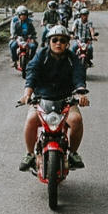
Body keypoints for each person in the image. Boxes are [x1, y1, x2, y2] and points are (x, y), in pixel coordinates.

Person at [19, 25, 89, 171]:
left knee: (76, 120)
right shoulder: (41, 56)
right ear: (49, 41)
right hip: (41, 99)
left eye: (62, 40)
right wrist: (27, 94)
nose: (58, 43)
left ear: (67, 43)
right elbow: (32, 74)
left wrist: (81, 94)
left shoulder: (72, 58)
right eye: (55, 40)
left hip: (66, 100)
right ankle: (30, 154)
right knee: (31, 119)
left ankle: (74, 153)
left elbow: (78, 75)